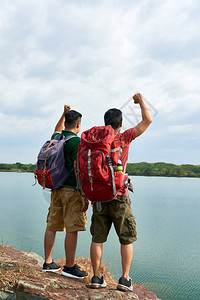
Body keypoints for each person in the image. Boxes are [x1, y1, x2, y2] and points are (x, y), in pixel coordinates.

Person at [90, 93, 152, 291]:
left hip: (98, 196)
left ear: (105, 123)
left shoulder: (95, 141)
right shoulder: (124, 138)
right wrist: (141, 101)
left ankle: (97, 278)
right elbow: (147, 120)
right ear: (120, 124)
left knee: (97, 238)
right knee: (126, 238)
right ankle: (124, 279)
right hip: (119, 195)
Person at [42, 105, 89, 279]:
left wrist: (63, 113)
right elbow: (80, 169)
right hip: (71, 190)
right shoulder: (77, 142)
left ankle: (48, 263)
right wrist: (85, 195)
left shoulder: (57, 138)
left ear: (65, 123)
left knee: (52, 225)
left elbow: (56, 128)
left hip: (55, 189)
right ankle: (69, 266)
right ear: (78, 125)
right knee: (72, 228)